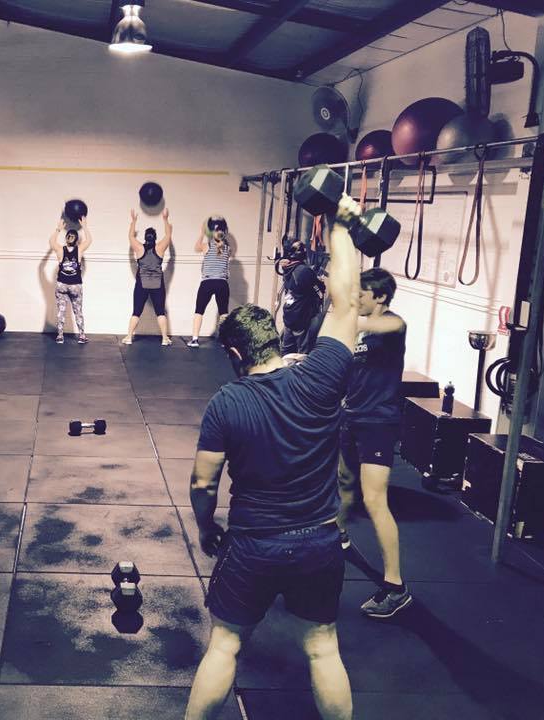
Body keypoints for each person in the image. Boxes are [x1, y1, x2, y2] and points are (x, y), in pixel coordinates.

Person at [185, 197, 363, 720]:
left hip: (254, 543)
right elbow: (347, 304)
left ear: (236, 354)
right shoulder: (320, 376)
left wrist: (206, 528)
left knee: (225, 646)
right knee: (323, 648)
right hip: (319, 541)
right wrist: (342, 226)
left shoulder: (227, 403)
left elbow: (203, 484)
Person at [336, 267, 411, 619]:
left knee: (375, 499)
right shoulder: (363, 330)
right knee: (343, 482)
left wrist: (345, 318)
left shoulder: (393, 324)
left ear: (380, 296)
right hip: (351, 416)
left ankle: (395, 587)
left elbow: (384, 326)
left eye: (362, 294)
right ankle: (338, 536)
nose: (357, 299)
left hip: (378, 422)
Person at [122, 208, 173, 346]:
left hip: (142, 285)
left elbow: (130, 237)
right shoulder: (160, 248)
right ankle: (164, 338)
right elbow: (168, 235)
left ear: (145, 237)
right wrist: (165, 219)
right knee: (160, 312)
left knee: (136, 312)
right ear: (155, 237)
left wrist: (133, 221)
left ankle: (129, 337)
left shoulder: (139, 248)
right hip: (157, 285)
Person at [188, 216, 231, 347]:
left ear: (212, 233)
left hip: (207, 283)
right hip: (222, 283)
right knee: (223, 312)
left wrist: (202, 233)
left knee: (199, 310)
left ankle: (195, 340)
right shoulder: (228, 249)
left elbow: (196, 248)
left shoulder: (207, 246)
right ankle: (225, 341)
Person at [49, 216, 92, 344]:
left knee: (61, 311)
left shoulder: (60, 250)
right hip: (75, 286)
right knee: (78, 311)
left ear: (66, 239)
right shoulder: (79, 249)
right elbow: (89, 240)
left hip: (62, 285)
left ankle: (60, 336)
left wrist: (58, 229)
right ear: (76, 240)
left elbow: (51, 241)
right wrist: (84, 227)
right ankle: (82, 336)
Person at [279, 239, 325, 356]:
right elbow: (319, 291)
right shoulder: (304, 271)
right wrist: (319, 282)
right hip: (301, 319)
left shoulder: (288, 268)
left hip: (289, 317)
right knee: (302, 355)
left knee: (286, 352)